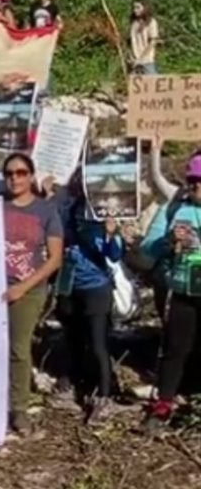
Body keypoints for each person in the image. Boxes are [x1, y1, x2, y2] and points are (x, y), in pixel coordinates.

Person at [1, 153, 64, 434]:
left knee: (18, 348)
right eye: (9, 173)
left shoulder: (46, 211)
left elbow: (55, 258)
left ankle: (19, 409)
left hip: (28, 290)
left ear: (31, 176)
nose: (15, 178)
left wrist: (22, 287)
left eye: (21, 173)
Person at [53, 175, 124, 423]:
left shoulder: (104, 212)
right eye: (78, 181)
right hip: (68, 282)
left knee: (97, 343)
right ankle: (73, 381)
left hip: (96, 286)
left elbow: (115, 255)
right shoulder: (67, 208)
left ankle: (104, 395)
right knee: (71, 337)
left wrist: (110, 233)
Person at [139, 153, 201, 430]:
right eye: (193, 181)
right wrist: (168, 241)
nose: (197, 186)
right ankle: (163, 403)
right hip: (183, 291)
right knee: (175, 348)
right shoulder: (175, 208)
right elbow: (147, 249)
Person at [130, 0, 160, 75]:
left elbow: (153, 42)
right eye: (134, 8)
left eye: (138, 7)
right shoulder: (134, 23)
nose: (135, 10)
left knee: (151, 81)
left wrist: (141, 58)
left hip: (147, 61)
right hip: (135, 61)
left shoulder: (151, 22)